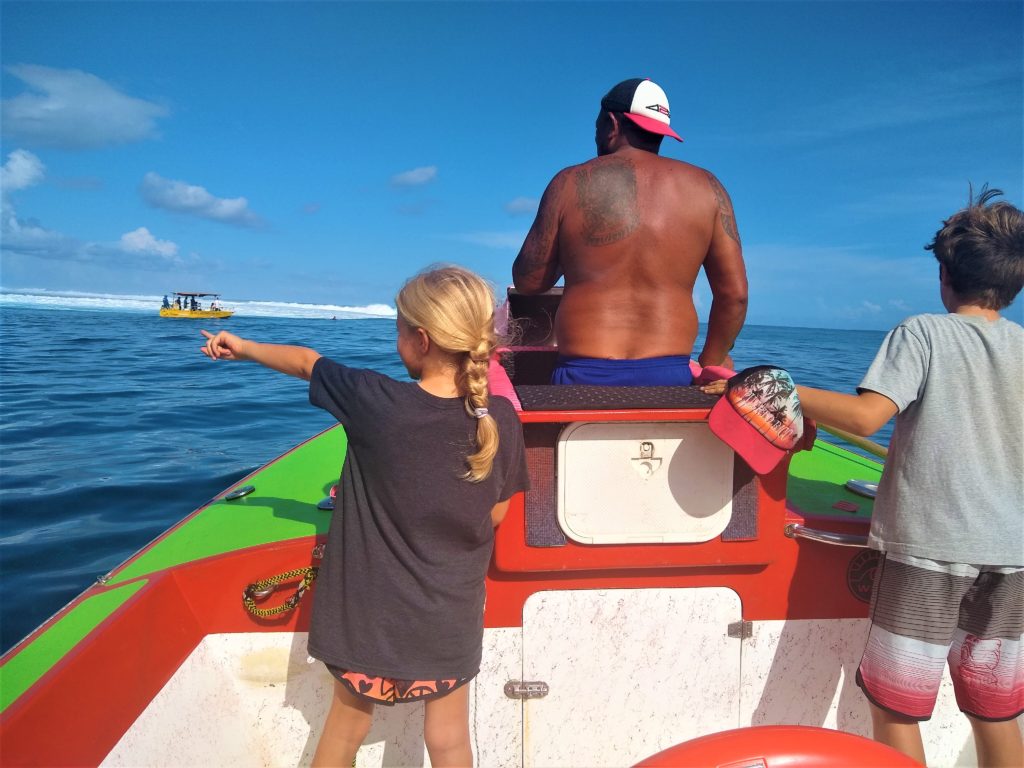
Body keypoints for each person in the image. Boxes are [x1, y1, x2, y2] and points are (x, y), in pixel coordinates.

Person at [705, 187, 1024, 766]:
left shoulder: (924, 333)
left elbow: (867, 417)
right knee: (994, 708)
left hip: (932, 549)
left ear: (945, 277)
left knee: (898, 708)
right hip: (1012, 557)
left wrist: (782, 387)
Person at [200, 265, 530, 767]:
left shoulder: (375, 401)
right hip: (448, 621)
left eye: (397, 330)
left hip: (365, 622)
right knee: (448, 740)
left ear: (420, 339)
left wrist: (240, 346)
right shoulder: (500, 419)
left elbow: (308, 363)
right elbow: (498, 513)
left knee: (345, 729)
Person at [512, 77, 748, 386]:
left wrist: (571, 252)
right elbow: (735, 296)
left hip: (583, 374)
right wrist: (711, 363)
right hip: (670, 376)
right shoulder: (708, 188)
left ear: (611, 123)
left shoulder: (569, 182)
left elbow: (528, 282)